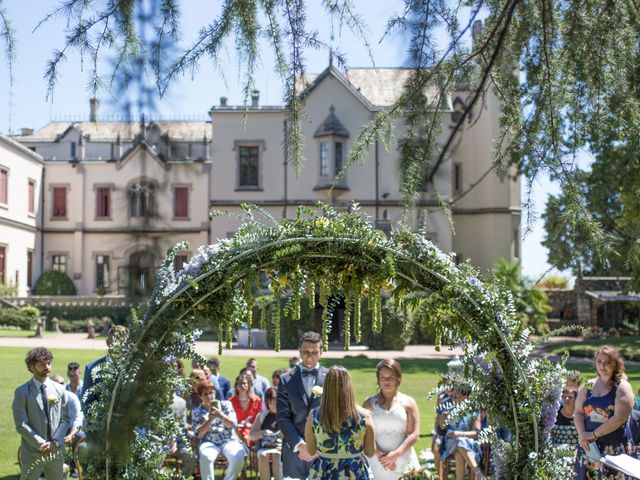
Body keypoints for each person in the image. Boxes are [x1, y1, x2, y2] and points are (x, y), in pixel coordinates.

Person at [574, 345, 636, 479]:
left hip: (614, 451)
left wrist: (593, 434)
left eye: (607, 362)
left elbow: (620, 418)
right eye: (599, 362)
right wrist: (582, 434)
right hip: (589, 448)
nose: (602, 366)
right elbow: (578, 412)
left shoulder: (622, 387)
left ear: (616, 365)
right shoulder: (588, 385)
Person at [305, 365, 375, 479]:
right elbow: (370, 452)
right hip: (355, 473)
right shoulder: (365, 417)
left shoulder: (314, 416)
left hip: (324, 473)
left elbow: (311, 451)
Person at [13, 347, 70, 480]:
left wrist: (55, 443)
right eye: (42, 364)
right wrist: (41, 444)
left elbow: (65, 419)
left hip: (56, 452)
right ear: (32, 367)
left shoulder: (60, 389)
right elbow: (21, 424)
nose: (47, 367)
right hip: (32, 452)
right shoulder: (22, 392)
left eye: (49, 363)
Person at [277, 331, 328, 479]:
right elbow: (282, 417)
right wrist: (300, 445)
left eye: (314, 352)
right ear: (299, 350)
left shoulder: (331, 377)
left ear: (321, 352)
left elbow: (334, 414)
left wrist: (319, 444)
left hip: (323, 450)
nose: (309, 355)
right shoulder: (285, 380)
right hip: (293, 449)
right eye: (305, 351)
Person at [363, 359, 420, 479]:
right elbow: (364, 432)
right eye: (382, 377)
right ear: (378, 379)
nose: (386, 381)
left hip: (403, 457)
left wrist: (396, 454)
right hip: (376, 459)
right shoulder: (369, 403)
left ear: (398, 378)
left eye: (390, 377)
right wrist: (380, 455)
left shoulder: (409, 402)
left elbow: (414, 434)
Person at [192, 380, 246, 480]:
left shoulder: (226, 405)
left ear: (215, 393)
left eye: (211, 393)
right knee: (205, 456)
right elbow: (198, 434)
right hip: (209, 442)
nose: (209, 397)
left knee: (238, 457)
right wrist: (210, 419)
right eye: (205, 394)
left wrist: (221, 415)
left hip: (228, 440)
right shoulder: (197, 411)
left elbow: (232, 425)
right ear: (200, 397)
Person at [439, 383, 483, 480]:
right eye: (454, 392)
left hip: (469, 444)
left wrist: (459, 434)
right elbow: (442, 427)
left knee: (460, 450)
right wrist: (442, 418)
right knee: (459, 443)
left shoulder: (474, 411)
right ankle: (479, 474)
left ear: (466, 396)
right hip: (450, 444)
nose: (455, 395)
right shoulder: (449, 408)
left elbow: (477, 433)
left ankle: (477, 475)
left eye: (458, 393)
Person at [82, 325, 127, 408]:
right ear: (107, 343)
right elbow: (87, 404)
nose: (121, 345)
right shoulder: (92, 369)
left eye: (124, 342)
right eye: (116, 341)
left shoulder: (134, 368)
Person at [249, 387, 283, 480]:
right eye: (271, 402)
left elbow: (291, 435)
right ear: (267, 402)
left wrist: (284, 446)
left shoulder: (284, 415)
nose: (273, 404)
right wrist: (263, 432)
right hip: (264, 447)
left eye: (276, 401)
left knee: (277, 456)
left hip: (281, 447)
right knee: (263, 456)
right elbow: (251, 435)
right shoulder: (262, 415)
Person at [230, 373, 262, 444]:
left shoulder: (256, 400)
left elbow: (260, 419)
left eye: (244, 383)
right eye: (240, 384)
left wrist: (250, 425)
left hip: (253, 430)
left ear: (249, 385)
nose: (242, 386)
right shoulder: (230, 402)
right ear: (236, 386)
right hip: (236, 431)